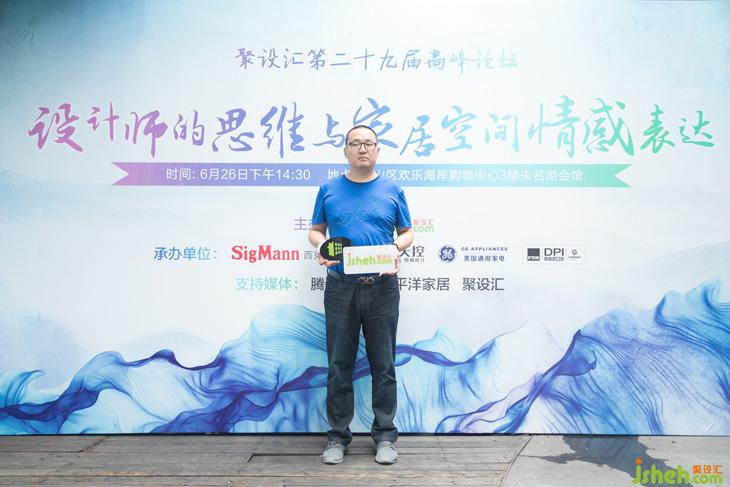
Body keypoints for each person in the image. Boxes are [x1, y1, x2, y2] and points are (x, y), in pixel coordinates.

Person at [308, 125, 414, 465]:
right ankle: (337, 437)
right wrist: (322, 247)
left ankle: (385, 435)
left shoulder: (392, 190)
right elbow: (316, 231)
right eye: (355, 143)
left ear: (378, 149)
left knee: (384, 364)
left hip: (382, 288)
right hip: (341, 287)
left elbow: (407, 232)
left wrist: (395, 248)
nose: (362, 149)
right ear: (346, 151)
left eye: (369, 143)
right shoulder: (329, 189)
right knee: (339, 364)